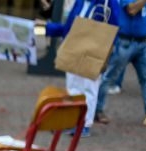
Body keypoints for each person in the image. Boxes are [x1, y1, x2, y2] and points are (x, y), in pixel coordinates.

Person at [42, 0, 117, 136]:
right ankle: (72, 121)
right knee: (73, 87)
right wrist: (48, 27)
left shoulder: (108, 2)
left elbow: (113, 30)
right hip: (74, 47)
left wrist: (106, 56)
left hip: (93, 51)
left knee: (89, 88)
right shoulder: (81, 1)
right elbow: (69, 27)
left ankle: (84, 124)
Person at [94, 0, 146, 124]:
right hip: (124, 42)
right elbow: (131, 9)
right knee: (108, 77)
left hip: (144, 42)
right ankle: (97, 110)